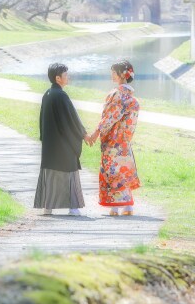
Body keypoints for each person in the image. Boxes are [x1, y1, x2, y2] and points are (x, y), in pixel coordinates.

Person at [85, 60, 141, 216]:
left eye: (113, 72)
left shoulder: (116, 95)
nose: (111, 75)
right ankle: (128, 207)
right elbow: (130, 125)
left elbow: (109, 118)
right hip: (123, 141)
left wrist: (96, 133)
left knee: (113, 171)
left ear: (121, 76)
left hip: (112, 141)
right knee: (123, 170)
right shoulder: (132, 99)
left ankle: (115, 207)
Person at [34, 63, 88, 216]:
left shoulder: (48, 94)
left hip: (51, 143)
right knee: (69, 171)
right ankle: (73, 207)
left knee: (51, 173)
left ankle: (48, 206)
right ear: (58, 78)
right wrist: (83, 134)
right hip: (63, 142)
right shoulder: (61, 95)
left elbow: (42, 121)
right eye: (65, 75)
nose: (68, 77)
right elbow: (72, 119)